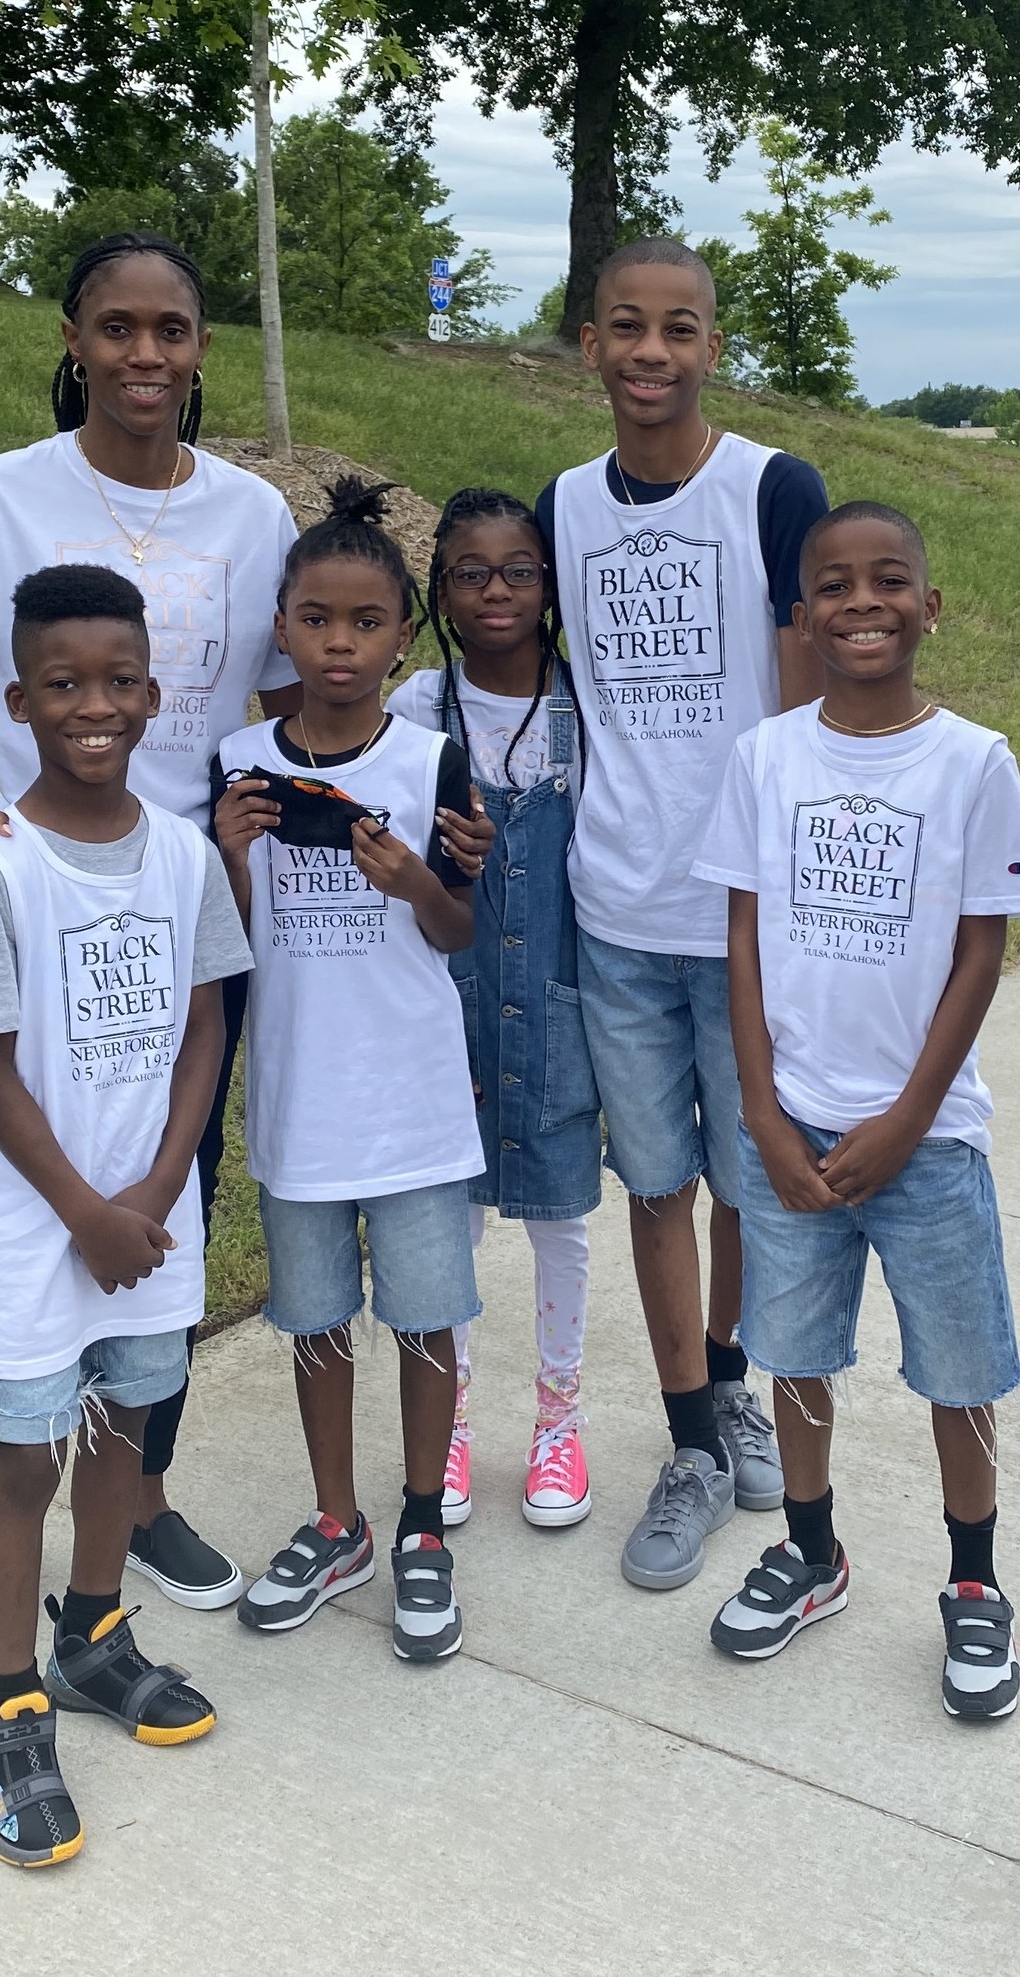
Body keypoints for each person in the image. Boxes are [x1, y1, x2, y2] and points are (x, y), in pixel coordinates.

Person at [0, 232, 302, 1642]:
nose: (145, 356)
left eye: (172, 331)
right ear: (73, 337)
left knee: (163, 1200)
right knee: (39, 1214)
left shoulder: (251, 516)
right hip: (39, 901)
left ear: (202, 347)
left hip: (188, 901)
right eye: (117, 328)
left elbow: (306, 698)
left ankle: (139, 1498)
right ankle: (4, 1509)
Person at [692, 502, 1020, 1711]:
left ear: (930, 605)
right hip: (788, 1129)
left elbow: (981, 955)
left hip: (926, 1142)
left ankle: (975, 1582)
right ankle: (809, 1546)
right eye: (832, 586)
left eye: (889, 579)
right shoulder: (766, 756)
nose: (860, 603)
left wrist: (907, 1117)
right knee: (793, 1356)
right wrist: (763, 1112)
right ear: (801, 615)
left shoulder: (975, 761)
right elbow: (740, 940)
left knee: (961, 1371)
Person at [540, 237, 829, 1592]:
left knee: (748, 1185)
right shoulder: (562, 507)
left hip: (744, 922)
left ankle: (734, 1388)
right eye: (626, 328)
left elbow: (807, 713)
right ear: (588, 345)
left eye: (680, 328)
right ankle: (693, 1445)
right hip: (614, 909)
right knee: (655, 1183)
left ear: (714, 345)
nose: (652, 351)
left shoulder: (771, 490)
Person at [0, 565, 237, 1867]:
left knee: (126, 1426)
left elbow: (209, 1017)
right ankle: (9, 1708)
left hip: (146, 1221)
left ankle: (95, 1633)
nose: (95, 706)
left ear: (154, 696)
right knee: (22, 1461)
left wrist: (160, 1187)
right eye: (64, 684)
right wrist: (83, 1211)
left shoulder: (183, 851)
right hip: (36, 1230)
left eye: (119, 682)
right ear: (19, 699)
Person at [218, 478, 495, 1662]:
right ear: (279, 624)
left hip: (416, 1103)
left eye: (367, 622)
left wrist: (414, 883)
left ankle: (424, 1526)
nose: (340, 644)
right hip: (298, 1100)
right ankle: (340, 1520)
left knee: (427, 1322)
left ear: (402, 635)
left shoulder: (431, 759)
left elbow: (459, 933)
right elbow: (227, 944)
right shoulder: (236, 761)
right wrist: (228, 860)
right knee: (316, 1323)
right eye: (316, 620)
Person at [388, 487, 601, 1528]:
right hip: (449, 1006)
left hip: (557, 1002)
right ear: (439, 591)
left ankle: (559, 1425)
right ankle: (454, 1421)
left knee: (560, 1217)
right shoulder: (418, 711)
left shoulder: (581, 703)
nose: (498, 590)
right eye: (470, 572)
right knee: (455, 1220)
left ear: (551, 584)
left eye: (520, 570)